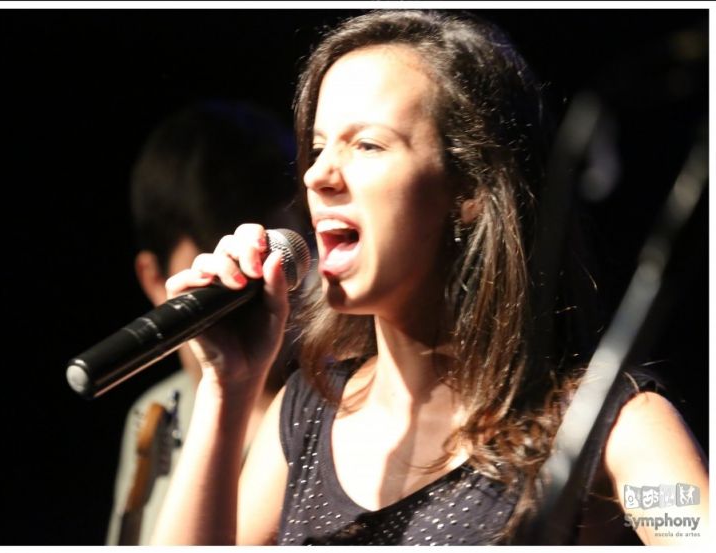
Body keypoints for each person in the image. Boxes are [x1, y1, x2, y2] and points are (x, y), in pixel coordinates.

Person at [150, 11, 708, 545]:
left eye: (366, 145)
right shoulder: (307, 414)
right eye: (318, 149)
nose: (317, 175)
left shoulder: (613, 426)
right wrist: (227, 389)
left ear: (468, 190)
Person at [105, 100, 305, 545]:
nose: (249, 285)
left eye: (265, 260)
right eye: (222, 275)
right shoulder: (157, 412)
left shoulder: (326, 404)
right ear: (155, 279)